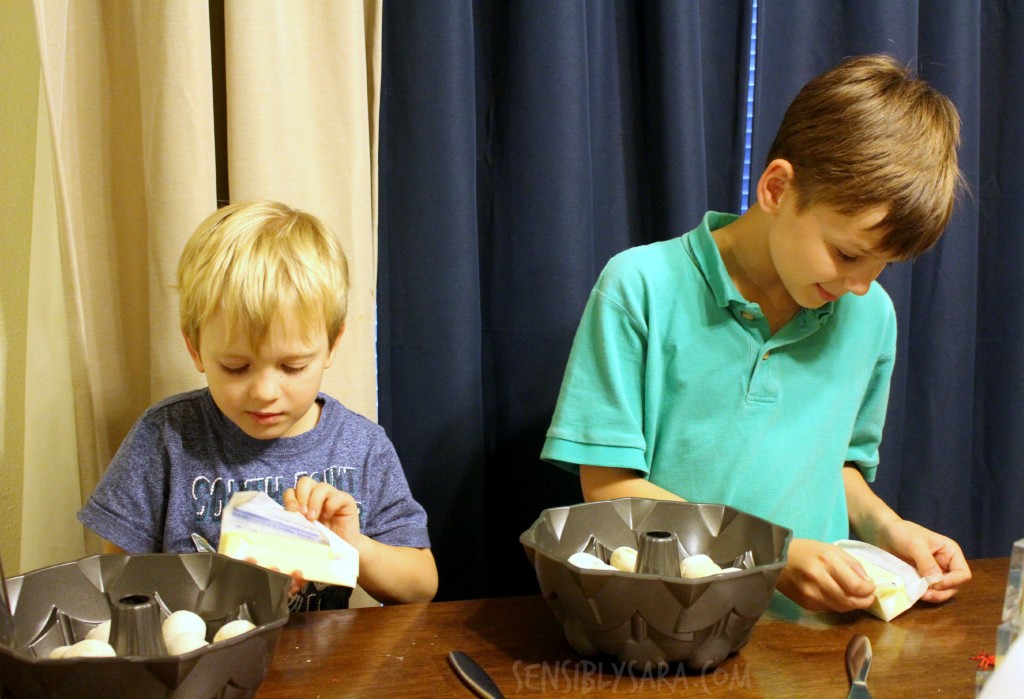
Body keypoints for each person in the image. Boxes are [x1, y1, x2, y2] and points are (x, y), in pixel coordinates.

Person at [540, 54, 971, 612]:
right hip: (673, 633)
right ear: (776, 188)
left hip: (814, 643)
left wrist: (891, 530)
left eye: (882, 264)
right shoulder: (639, 287)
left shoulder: (872, 317)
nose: (861, 285)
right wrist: (769, 554)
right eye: (846, 253)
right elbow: (608, 490)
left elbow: (836, 468)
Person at [79, 200, 438, 609]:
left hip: (323, 667)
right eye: (235, 367)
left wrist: (352, 546)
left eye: (292, 366)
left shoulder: (362, 446)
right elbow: (115, 583)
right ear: (195, 349)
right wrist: (217, 588)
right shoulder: (166, 436)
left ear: (332, 345)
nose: (265, 391)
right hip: (201, 663)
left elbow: (421, 586)